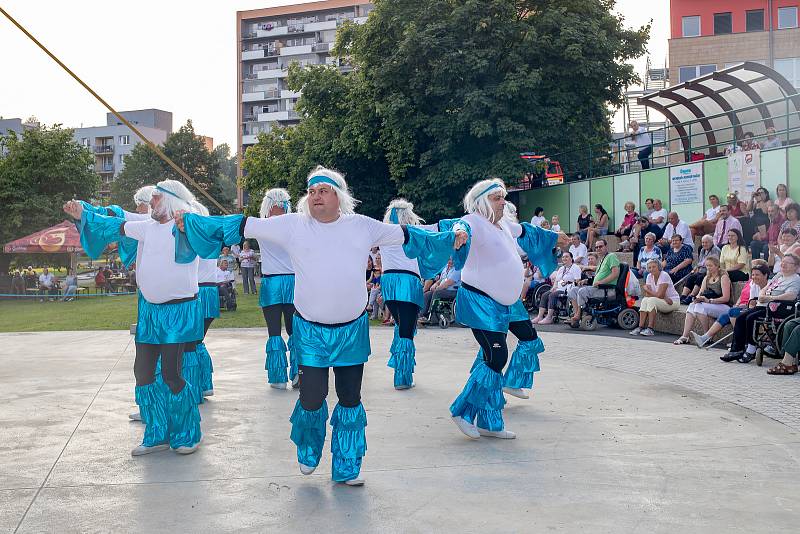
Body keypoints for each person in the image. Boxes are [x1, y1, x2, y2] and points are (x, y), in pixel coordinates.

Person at [177, 165, 467, 486]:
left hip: (352, 329)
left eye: (323, 191)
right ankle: (310, 447)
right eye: (312, 192)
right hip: (311, 330)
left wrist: (452, 234)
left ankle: (346, 465)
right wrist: (192, 222)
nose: (316, 196)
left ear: (338, 197)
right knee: (312, 398)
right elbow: (244, 224)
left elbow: (412, 234)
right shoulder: (292, 225)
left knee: (349, 397)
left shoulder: (363, 226)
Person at [64, 179, 204, 456]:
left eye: (155, 197)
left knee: (172, 375)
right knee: (142, 373)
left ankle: (187, 433)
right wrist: (85, 215)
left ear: (171, 200)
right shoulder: (146, 227)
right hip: (150, 313)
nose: (151, 202)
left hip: (178, 312)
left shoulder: (189, 226)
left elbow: (213, 231)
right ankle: (157, 432)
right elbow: (112, 225)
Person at [449, 178, 565, 439]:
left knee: (494, 359)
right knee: (497, 357)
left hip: (501, 305)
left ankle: (489, 423)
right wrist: (459, 234)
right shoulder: (473, 221)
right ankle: (462, 411)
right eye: (496, 198)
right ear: (481, 202)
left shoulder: (502, 225)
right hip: (480, 302)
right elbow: (460, 226)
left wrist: (555, 237)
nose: (503, 201)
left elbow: (527, 232)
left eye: (503, 197)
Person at [381, 198, 463, 389]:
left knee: (401, 325)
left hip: (388, 282)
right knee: (406, 331)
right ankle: (401, 377)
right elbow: (443, 226)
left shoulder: (384, 233)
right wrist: (468, 221)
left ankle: (400, 371)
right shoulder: (416, 232)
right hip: (408, 282)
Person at [722, 253, 800, 363]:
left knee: (751, 319)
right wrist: (762, 295)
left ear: (796, 266)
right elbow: (766, 287)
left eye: (787, 263)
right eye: (783, 262)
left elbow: (791, 296)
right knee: (740, 318)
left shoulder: (795, 279)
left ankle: (751, 350)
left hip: (778, 308)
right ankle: (736, 350)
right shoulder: (779, 275)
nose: (783, 264)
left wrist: (770, 298)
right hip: (763, 305)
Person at [691, 262, 769, 348]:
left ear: (765, 275)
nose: (753, 276)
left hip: (758, 309)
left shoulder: (768, 285)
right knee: (725, 315)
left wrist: (744, 307)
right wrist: (738, 304)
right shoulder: (752, 283)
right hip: (746, 306)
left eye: (757, 274)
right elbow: (745, 298)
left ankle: (738, 342)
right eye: (753, 274)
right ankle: (704, 338)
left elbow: (754, 304)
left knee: (732, 312)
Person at [190, 201, 219, 400]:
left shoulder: (193, 237)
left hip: (198, 290)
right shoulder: (211, 235)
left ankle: (195, 386)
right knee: (198, 340)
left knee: (190, 343)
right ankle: (204, 384)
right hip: (211, 291)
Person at [673, 257, 731, 344]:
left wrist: (709, 301)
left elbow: (726, 298)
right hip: (709, 304)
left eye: (710, 266)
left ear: (717, 266)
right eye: (707, 266)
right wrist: (697, 299)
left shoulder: (723, 277)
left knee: (699, 306)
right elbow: (700, 294)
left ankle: (706, 335)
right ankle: (685, 336)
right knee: (692, 305)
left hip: (724, 306)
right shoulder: (706, 278)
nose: (708, 268)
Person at [567, 239, 619, 328]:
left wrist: (600, 282)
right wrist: (586, 281)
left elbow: (615, 274)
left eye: (600, 246)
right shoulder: (602, 260)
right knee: (573, 290)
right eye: (596, 247)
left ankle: (578, 314)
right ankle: (576, 314)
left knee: (582, 291)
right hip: (598, 287)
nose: (598, 248)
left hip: (607, 290)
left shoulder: (611, 256)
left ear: (606, 247)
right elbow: (598, 277)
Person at [629, 258, 679, 336]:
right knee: (645, 300)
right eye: (649, 267)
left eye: (654, 267)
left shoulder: (664, 275)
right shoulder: (649, 276)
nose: (651, 269)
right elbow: (647, 295)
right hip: (663, 300)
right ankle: (640, 327)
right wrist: (658, 295)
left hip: (673, 302)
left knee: (651, 300)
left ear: (658, 266)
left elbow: (659, 295)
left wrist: (646, 289)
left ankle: (650, 328)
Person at [532, 251, 581, 324]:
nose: (564, 258)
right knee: (545, 295)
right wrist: (554, 287)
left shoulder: (575, 268)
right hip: (559, 288)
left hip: (568, 289)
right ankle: (540, 316)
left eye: (567, 257)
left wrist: (568, 282)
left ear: (571, 258)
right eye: (563, 257)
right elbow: (557, 281)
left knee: (552, 295)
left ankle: (549, 317)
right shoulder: (561, 268)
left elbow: (578, 281)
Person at [679, 235, 720, 304]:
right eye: (703, 242)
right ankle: (683, 296)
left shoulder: (715, 250)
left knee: (700, 278)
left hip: (710, 271)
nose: (704, 244)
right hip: (702, 270)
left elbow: (713, 263)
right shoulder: (702, 250)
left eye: (706, 242)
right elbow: (700, 262)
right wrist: (697, 267)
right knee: (691, 278)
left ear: (711, 242)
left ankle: (691, 297)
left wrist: (700, 265)